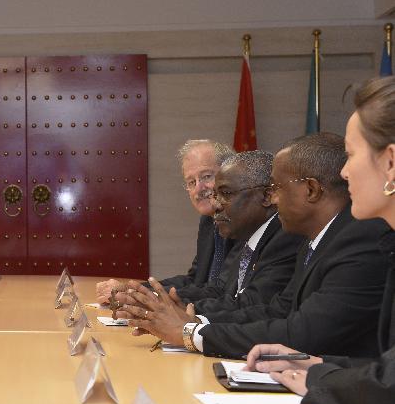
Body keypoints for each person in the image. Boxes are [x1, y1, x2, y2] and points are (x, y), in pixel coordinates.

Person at [120, 133, 389, 359]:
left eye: (277, 188)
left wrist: (191, 332)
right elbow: (279, 310)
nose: (272, 198)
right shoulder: (314, 241)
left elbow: (303, 333)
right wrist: (193, 323)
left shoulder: (360, 239)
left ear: (311, 190)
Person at [247, 76, 395, 404]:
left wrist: (318, 379)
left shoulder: (368, 241)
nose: (343, 173)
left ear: (390, 162)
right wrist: (316, 364)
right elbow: (385, 368)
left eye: (351, 155)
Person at [116, 151, 303, 324]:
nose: (216, 204)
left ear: (267, 196)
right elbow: (220, 289)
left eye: (225, 194)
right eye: (191, 182)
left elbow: (254, 304)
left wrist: (185, 317)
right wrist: (156, 301)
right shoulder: (246, 233)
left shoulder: (286, 237)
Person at [96, 139, 235, 303]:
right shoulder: (208, 221)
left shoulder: (242, 222)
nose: (199, 188)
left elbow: (220, 291)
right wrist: (133, 288)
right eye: (191, 182)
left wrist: (141, 297)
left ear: (230, 174)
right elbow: (195, 280)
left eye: (206, 176)